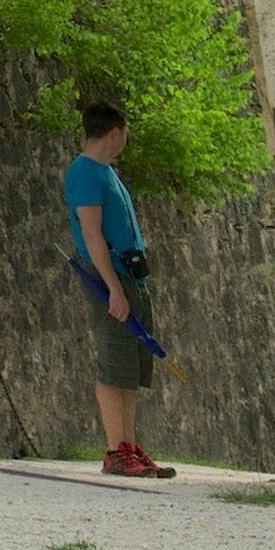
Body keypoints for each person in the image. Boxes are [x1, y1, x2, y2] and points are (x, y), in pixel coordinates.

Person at [68, 98, 176, 480]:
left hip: (130, 278)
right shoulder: (85, 173)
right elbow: (92, 235)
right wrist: (113, 289)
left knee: (130, 365)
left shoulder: (106, 172)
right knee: (114, 363)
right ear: (115, 132)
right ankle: (116, 450)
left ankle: (129, 445)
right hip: (110, 279)